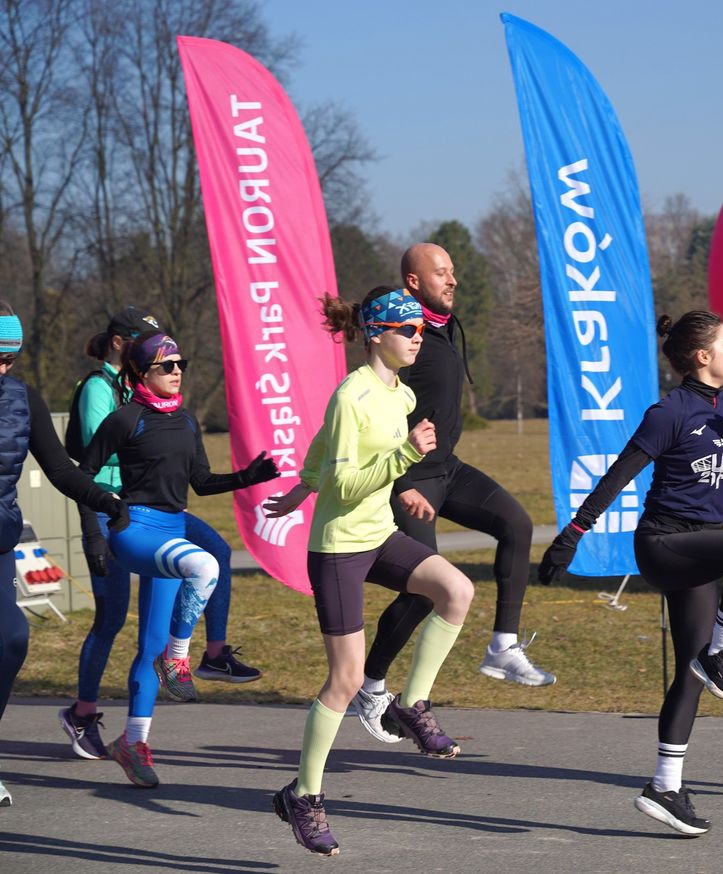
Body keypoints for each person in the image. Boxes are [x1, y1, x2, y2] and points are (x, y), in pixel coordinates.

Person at [539, 310, 723, 836]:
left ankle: (664, 787)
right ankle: (722, 653)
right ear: (702, 356)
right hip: (664, 543)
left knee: (689, 674)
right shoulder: (669, 411)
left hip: (701, 551)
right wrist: (572, 535)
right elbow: (619, 474)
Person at [264, 287, 474, 857]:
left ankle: (413, 704)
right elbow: (346, 481)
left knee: (456, 589)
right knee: (347, 680)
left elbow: (324, 451)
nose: (417, 338)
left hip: (378, 535)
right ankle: (303, 796)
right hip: (337, 549)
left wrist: (298, 487)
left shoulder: (401, 395)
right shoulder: (351, 394)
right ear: (376, 333)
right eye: (408, 330)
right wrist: (403, 460)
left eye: (421, 331)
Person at [348, 243, 553, 746]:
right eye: (441, 272)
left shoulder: (440, 329)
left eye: (454, 271)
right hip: (411, 477)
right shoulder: (404, 337)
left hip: (448, 469)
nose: (453, 279)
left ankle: (502, 644)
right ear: (413, 282)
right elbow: (376, 413)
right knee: (425, 592)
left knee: (517, 524)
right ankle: (371, 686)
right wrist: (400, 483)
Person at [58, 307, 261, 762]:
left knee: (212, 552)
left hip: (156, 512)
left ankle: (206, 656)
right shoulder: (101, 390)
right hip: (115, 516)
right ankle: (83, 711)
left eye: (177, 361)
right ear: (124, 348)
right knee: (110, 620)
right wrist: (94, 530)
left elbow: (192, 474)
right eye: (160, 357)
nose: (172, 365)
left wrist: (245, 475)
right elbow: (90, 466)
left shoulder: (163, 404)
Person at [0, 302, 127, 807]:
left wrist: (103, 498)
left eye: (8, 359)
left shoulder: (21, 399)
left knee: (11, 638)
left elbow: (60, 470)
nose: (1, 369)